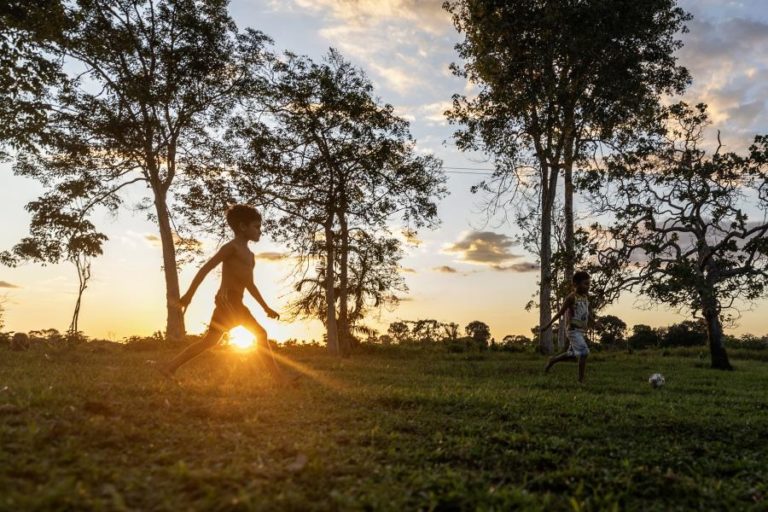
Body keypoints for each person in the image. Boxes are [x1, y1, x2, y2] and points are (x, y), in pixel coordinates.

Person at [158, 204, 283, 378]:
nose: (260, 231)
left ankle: (169, 367)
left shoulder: (250, 256)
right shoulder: (231, 248)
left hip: (235, 301)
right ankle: (279, 379)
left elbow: (250, 285)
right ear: (242, 227)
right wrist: (189, 295)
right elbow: (205, 269)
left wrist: (266, 308)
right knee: (260, 333)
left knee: (210, 341)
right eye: (256, 226)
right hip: (227, 300)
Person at [540, 270, 596, 383]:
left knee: (572, 355)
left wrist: (595, 323)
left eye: (589, 284)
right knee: (584, 352)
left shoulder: (586, 297)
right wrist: (547, 326)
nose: (588, 287)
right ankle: (581, 380)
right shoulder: (571, 297)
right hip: (573, 330)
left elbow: (588, 313)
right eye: (585, 284)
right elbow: (560, 313)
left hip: (581, 331)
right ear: (576, 284)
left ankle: (552, 360)